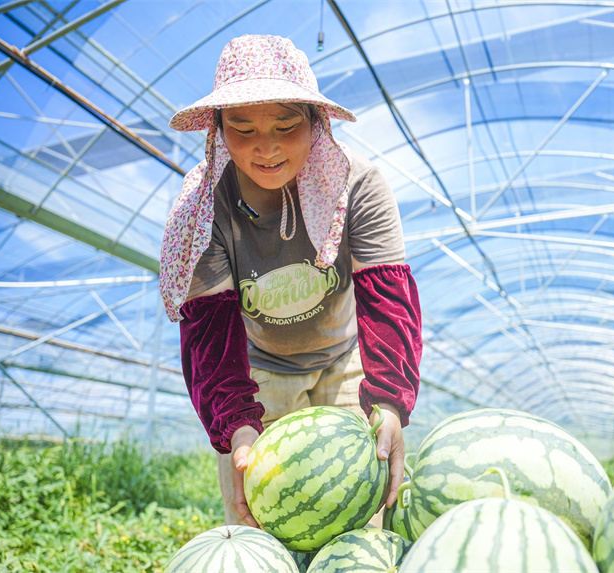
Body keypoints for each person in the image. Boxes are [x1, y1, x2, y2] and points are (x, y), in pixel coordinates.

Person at [159, 34, 422, 528]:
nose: (267, 147)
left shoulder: (358, 186)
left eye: (286, 125)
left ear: (315, 121)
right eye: (242, 129)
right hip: (258, 373)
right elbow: (209, 332)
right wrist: (237, 425)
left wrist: (388, 401)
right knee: (262, 521)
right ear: (217, 131)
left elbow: (389, 302)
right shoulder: (201, 211)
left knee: (357, 521)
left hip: (344, 361)